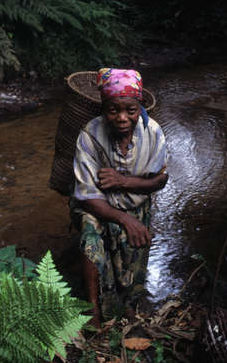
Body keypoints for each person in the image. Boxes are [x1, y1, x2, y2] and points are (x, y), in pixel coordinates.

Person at [69, 68, 168, 328]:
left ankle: (128, 306)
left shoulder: (154, 133)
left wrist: (123, 181)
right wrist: (124, 219)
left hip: (136, 203)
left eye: (130, 110)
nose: (122, 118)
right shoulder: (89, 136)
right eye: (113, 110)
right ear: (104, 109)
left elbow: (160, 180)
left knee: (131, 273)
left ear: (140, 108)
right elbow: (88, 195)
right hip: (97, 205)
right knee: (92, 240)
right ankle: (94, 314)